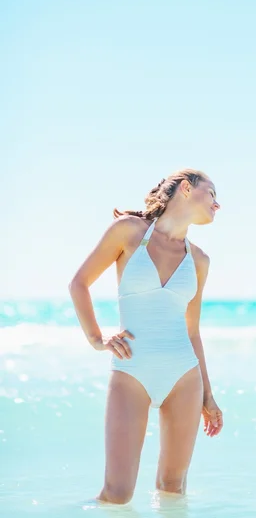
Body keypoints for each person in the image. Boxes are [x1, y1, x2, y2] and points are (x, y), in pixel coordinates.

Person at [69, 168, 223, 505]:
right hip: (131, 372)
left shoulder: (199, 260)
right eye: (212, 193)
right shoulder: (130, 233)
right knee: (117, 493)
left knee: (172, 490)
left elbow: (192, 330)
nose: (218, 204)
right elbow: (79, 284)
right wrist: (97, 339)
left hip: (185, 376)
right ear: (186, 188)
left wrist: (208, 396)